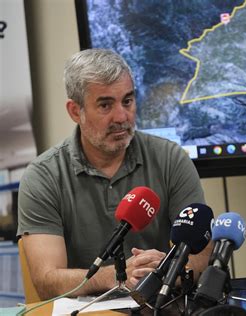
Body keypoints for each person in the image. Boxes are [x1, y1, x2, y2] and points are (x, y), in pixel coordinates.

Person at [17, 49, 210, 300]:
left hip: (161, 304)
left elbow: (202, 253)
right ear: (76, 111)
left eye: (127, 101)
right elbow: (47, 280)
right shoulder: (43, 176)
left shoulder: (170, 158)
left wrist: (166, 270)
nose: (121, 117)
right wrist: (120, 275)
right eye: (105, 105)